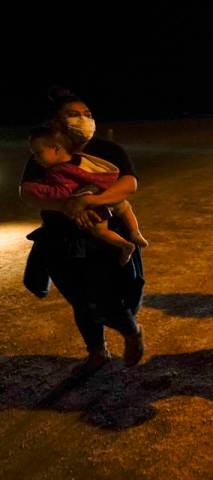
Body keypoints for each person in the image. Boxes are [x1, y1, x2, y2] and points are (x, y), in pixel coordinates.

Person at [19, 87, 145, 376]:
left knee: (110, 295)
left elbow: (128, 184)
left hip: (105, 235)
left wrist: (91, 201)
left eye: (86, 114)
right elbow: (27, 193)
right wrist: (66, 206)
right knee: (79, 298)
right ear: (55, 123)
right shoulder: (43, 152)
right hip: (61, 238)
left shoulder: (107, 150)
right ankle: (97, 351)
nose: (83, 119)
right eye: (73, 114)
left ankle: (131, 331)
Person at [24, 126, 148, 265]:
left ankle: (125, 245)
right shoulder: (81, 159)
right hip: (108, 194)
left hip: (94, 207)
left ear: (56, 149)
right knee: (125, 208)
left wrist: (39, 189)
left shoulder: (57, 171)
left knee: (100, 232)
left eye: (38, 153)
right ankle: (135, 232)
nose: (35, 158)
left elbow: (63, 193)